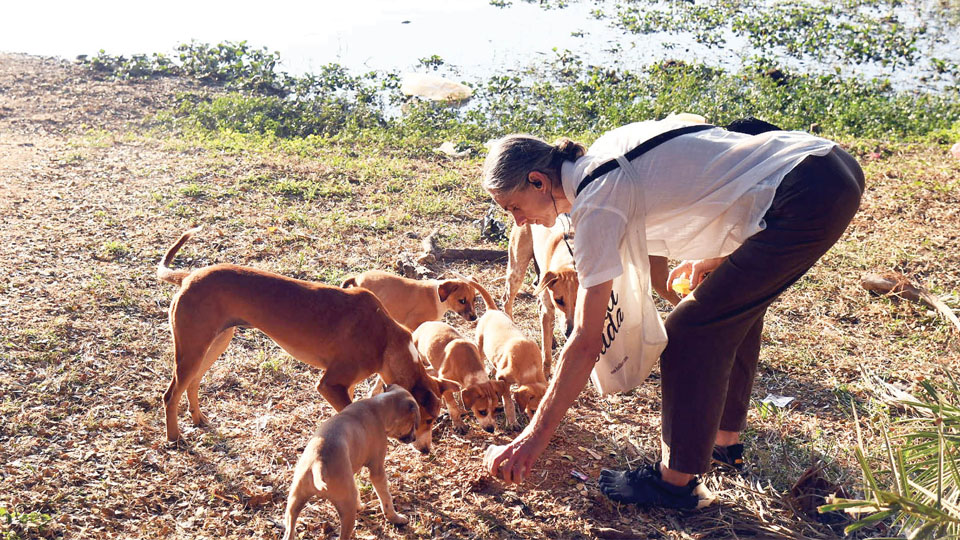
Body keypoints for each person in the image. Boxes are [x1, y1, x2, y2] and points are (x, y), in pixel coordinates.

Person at [480, 116, 864, 509]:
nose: (518, 221)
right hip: (824, 166)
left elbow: (585, 340)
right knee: (726, 304)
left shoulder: (597, 202)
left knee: (688, 329)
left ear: (538, 181)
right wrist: (713, 258)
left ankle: (675, 483)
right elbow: (713, 158)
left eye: (514, 207)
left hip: (808, 193)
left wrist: (532, 438)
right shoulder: (605, 153)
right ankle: (724, 442)